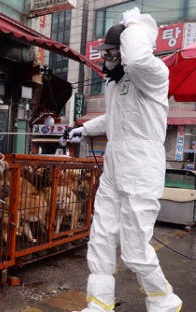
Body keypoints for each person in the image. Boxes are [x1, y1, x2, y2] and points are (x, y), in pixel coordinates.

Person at [66, 7, 182, 312]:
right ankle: (99, 303)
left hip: (142, 166)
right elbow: (112, 117)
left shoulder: (154, 74)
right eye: (107, 53)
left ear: (126, 49)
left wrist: (135, 24)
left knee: (134, 248)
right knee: (101, 236)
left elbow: (139, 58)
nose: (107, 59)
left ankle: (163, 300)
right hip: (115, 165)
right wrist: (83, 129)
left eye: (112, 53)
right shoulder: (115, 85)